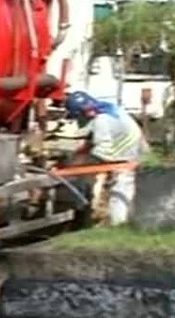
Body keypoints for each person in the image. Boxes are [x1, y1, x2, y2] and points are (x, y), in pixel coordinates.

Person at [61, 90, 148, 225]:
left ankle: (117, 225)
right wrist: (82, 151)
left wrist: (77, 164)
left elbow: (103, 152)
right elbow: (97, 138)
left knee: (120, 190)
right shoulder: (109, 108)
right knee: (130, 188)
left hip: (126, 156)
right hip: (134, 149)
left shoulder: (101, 120)